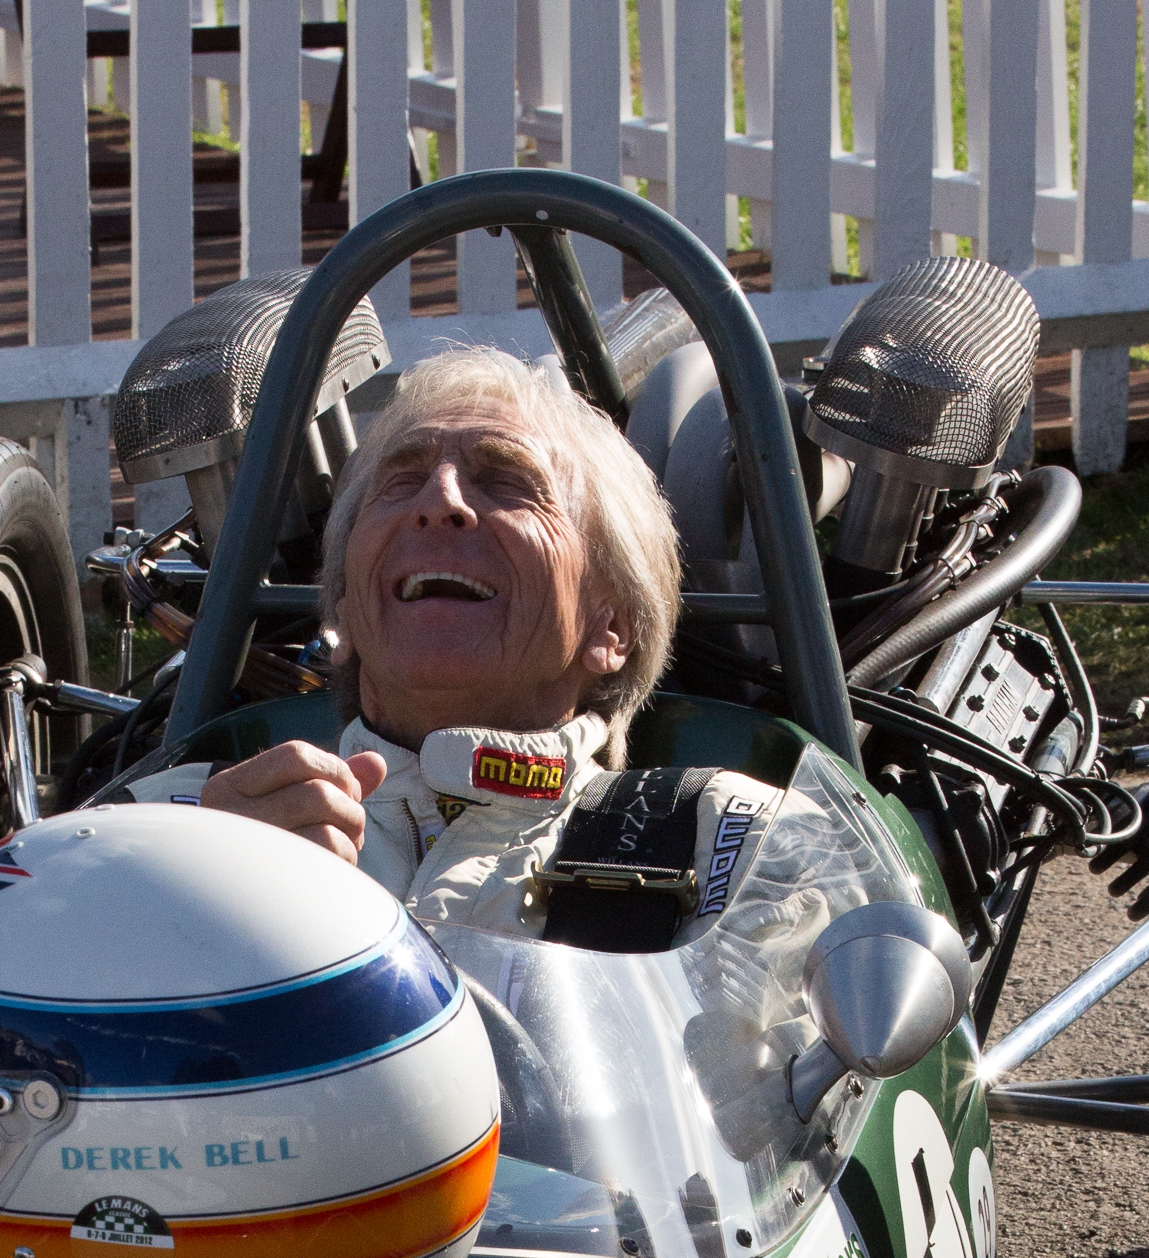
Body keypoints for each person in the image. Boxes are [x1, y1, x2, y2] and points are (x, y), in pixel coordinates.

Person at [133, 346, 781, 940]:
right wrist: (182, 891)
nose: (439, 500)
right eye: (400, 482)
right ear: (345, 616)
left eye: (506, 481)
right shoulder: (166, 825)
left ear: (610, 627)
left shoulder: (736, 840)